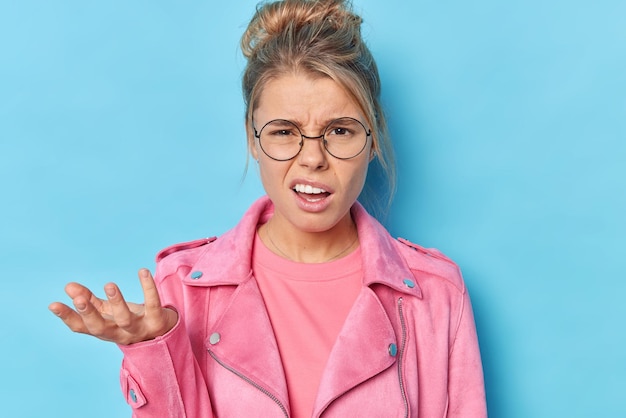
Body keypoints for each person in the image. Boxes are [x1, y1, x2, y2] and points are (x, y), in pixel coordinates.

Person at [49, 0, 487, 416]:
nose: (312, 158)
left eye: (339, 130)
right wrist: (154, 350)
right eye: (283, 131)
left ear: (372, 138)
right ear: (251, 138)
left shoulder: (437, 294)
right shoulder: (182, 290)